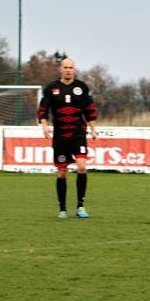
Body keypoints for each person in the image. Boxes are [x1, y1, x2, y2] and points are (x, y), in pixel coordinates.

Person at [37, 57, 98, 219]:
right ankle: (62, 209)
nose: (68, 70)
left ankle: (80, 206)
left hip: (78, 134)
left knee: (82, 166)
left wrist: (93, 130)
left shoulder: (82, 87)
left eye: (71, 67)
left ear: (74, 69)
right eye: (65, 67)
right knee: (62, 172)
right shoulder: (52, 88)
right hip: (60, 137)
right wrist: (44, 126)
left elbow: (90, 111)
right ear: (61, 69)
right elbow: (43, 109)